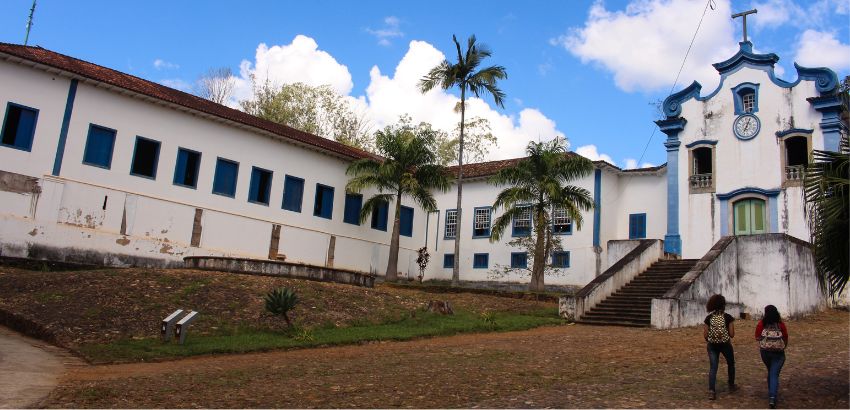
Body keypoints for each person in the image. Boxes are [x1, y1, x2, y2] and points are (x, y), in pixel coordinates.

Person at [703, 294, 738, 400]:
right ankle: (731, 385)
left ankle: (711, 391)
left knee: (713, 367)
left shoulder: (708, 318)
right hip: (725, 345)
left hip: (712, 345)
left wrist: (713, 338)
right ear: (723, 305)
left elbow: (705, 336)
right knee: (731, 364)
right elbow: (732, 334)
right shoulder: (728, 317)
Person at [755, 305, 789, 409]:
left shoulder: (762, 324)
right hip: (778, 353)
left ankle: (772, 392)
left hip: (765, 352)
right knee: (774, 374)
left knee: (771, 372)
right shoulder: (780, 324)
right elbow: (785, 337)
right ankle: (772, 397)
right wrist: (783, 346)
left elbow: (757, 337)